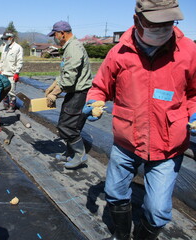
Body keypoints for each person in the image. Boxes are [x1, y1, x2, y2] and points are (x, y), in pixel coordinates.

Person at [82, 1, 196, 239]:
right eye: (156, 23)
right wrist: (95, 101)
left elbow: (195, 93)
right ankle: (122, 235)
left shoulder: (188, 51)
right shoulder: (119, 52)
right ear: (137, 20)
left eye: (169, 22)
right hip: (127, 140)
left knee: (157, 211)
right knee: (114, 193)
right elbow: (100, 86)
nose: (163, 28)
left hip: (168, 144)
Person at [46, 21, 92, 169]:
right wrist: (55, 83)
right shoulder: (69, 47)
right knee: (66, 122)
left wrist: (56, 92)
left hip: (78, 93)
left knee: (67, 126)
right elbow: (66, 72)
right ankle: (69, 152)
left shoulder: (73, 48)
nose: (55, 37)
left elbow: (70, 76)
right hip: (73, 92)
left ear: (62, 34)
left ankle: (80, 155)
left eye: (55, 35)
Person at [0, 30, 23, 112]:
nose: (5, 40)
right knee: (3, 89)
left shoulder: (17, 48)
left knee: (11, 91)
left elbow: (20, 61)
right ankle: (5, 104)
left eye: (6, 39)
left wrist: (17, 73)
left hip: (12, 73)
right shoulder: (5, 47)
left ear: (11, 38)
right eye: (4, 39)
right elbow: (2, 60)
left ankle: (12, 106)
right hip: (3, 72)